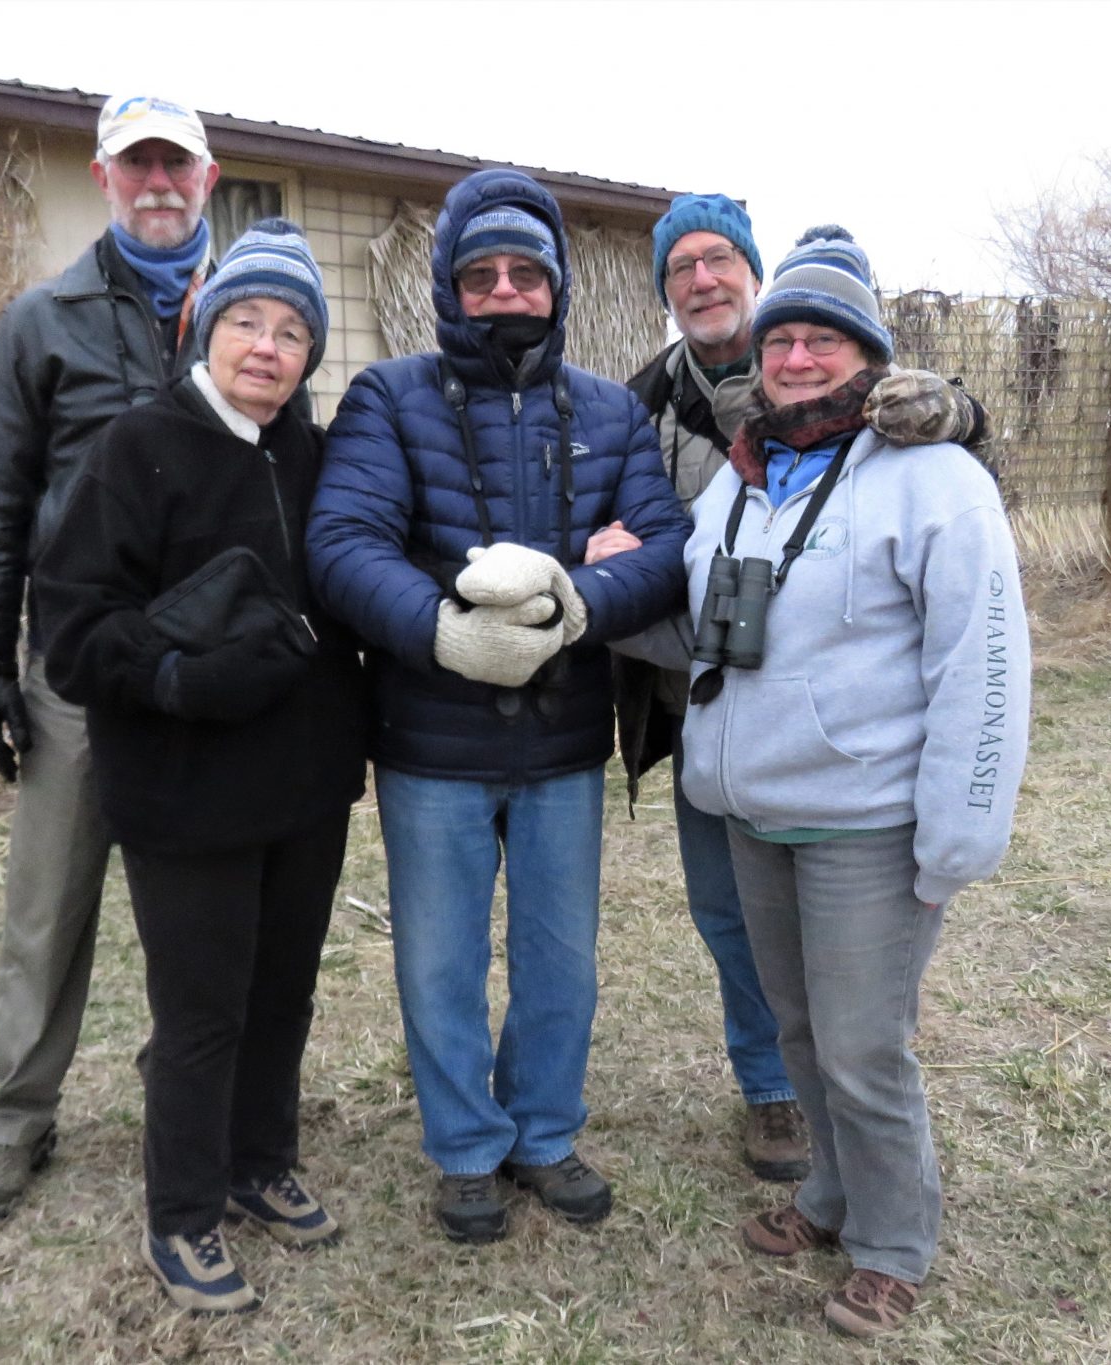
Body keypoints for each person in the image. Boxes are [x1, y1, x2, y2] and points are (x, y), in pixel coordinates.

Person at [306, 168, 691, 1244]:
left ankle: (544, 1132)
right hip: (430, 742)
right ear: (450, 287)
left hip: (563, 740)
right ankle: (467, 1147)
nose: (507, 291)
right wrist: (444, 631)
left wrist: (581, 601)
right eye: (483, 275)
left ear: (557, 287)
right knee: (440, 961)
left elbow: (664, 548)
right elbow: (343, 543)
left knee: (560, 958)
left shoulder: (610, 412)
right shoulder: (388, 399)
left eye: (528, 272)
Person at [668, 227, 1029, 1336]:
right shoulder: (740, 479)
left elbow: (979, 661)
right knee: (799, 1033)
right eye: (781, 339)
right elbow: (705, 621)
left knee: (865, 1049)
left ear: (870, 358)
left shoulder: (934, 479)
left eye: (825, 340)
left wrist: (960, 830)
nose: (797, 358)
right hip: (753, 812)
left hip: (865, 824)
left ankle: (893, 1243)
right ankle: (830, 1195)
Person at [618, 194, 992, 1183]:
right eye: (680, 266)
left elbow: (945, 504)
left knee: (850, 1004)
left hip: (834, 748)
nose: (702, 280)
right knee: (733, 924)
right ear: (664, 291)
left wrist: (962, 413)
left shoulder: (871, 408)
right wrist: (597, 585)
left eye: (720, 260)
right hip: (702, 716)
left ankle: (817, 1134)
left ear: (753, 273)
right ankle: (778, 1089)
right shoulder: (640, 405)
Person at [34, 220, 366, 1314]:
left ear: (310, 354)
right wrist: (176, 679)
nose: (267, 346)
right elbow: (71, 627)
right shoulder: (140, 446)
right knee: (202, 1011)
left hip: (304, 790)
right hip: (183, 793)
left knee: (282, 993)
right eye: (246, 321)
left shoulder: (314, 458)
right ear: (206, 331)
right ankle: (181, 1210)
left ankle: (259, 1162)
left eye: (291, 331)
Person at [0, 93, 221, 1224]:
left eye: (175, 164)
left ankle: (185, 1081)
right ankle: (15, 1116)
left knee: (198, 900)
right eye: (136, 164)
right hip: (76, 670)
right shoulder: (42, 320)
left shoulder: (249, 312)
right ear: (102, 177)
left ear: (207, 178)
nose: (157, 183)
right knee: (49, 903)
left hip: (201, 670)